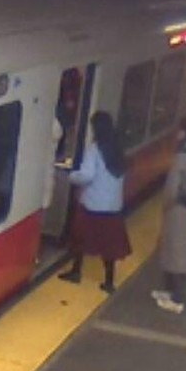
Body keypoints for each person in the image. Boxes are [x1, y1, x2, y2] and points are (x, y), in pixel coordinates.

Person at [57, 111, 131, 293]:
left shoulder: (95, 150)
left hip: (93, 204)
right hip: (112, 206)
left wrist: (70, 175)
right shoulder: (117, 149)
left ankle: (75, 272)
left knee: (80, 238)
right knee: (109, 246)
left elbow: (86, 176)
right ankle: (109, 281)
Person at [152, 118, 186, 314]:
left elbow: (172, 189)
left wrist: (165, 207)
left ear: (184, 133)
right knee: (178, 251)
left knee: (175, 254)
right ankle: (168, 292)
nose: (176, 135)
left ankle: (176, 299)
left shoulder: (182, 157)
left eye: (179, 131)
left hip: (179, 211)